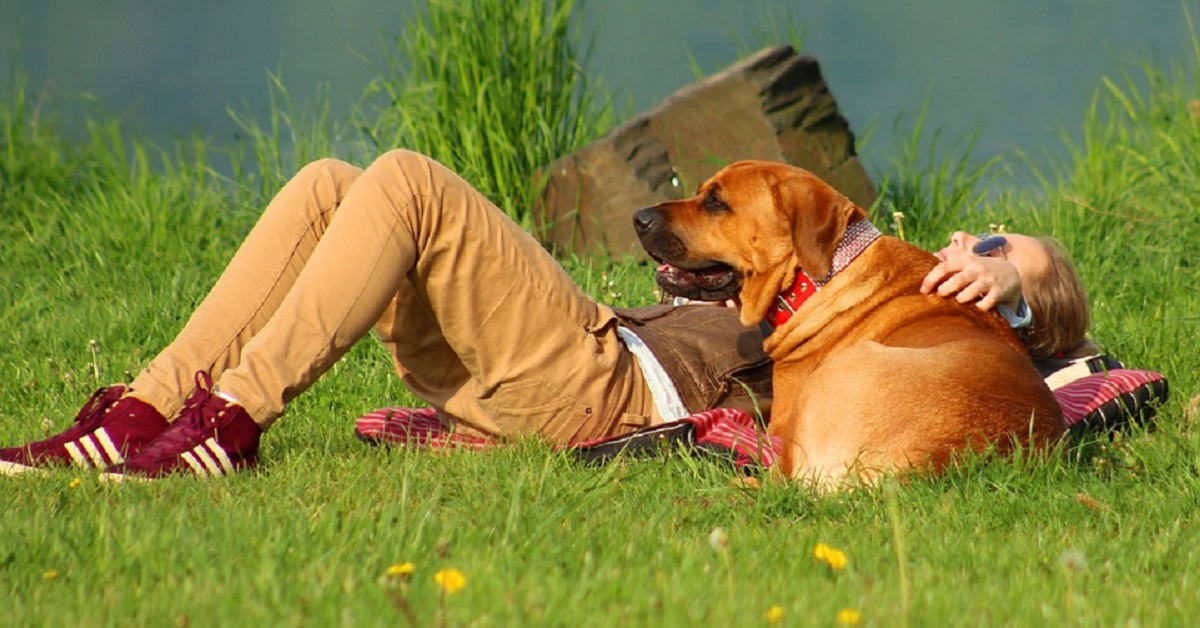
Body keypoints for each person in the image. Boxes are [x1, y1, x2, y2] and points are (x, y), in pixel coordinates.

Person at [0, 150, 1092, 480]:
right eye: (971, 239)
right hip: (559, 363)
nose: (964, 253)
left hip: (608, 380)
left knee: (411, 183)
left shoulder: (934, 323)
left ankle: (231, 416)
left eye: (993, 259)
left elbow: (1060, 334)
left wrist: (1022, 273)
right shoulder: (866, 271)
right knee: (338, 181)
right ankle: (141, 409)